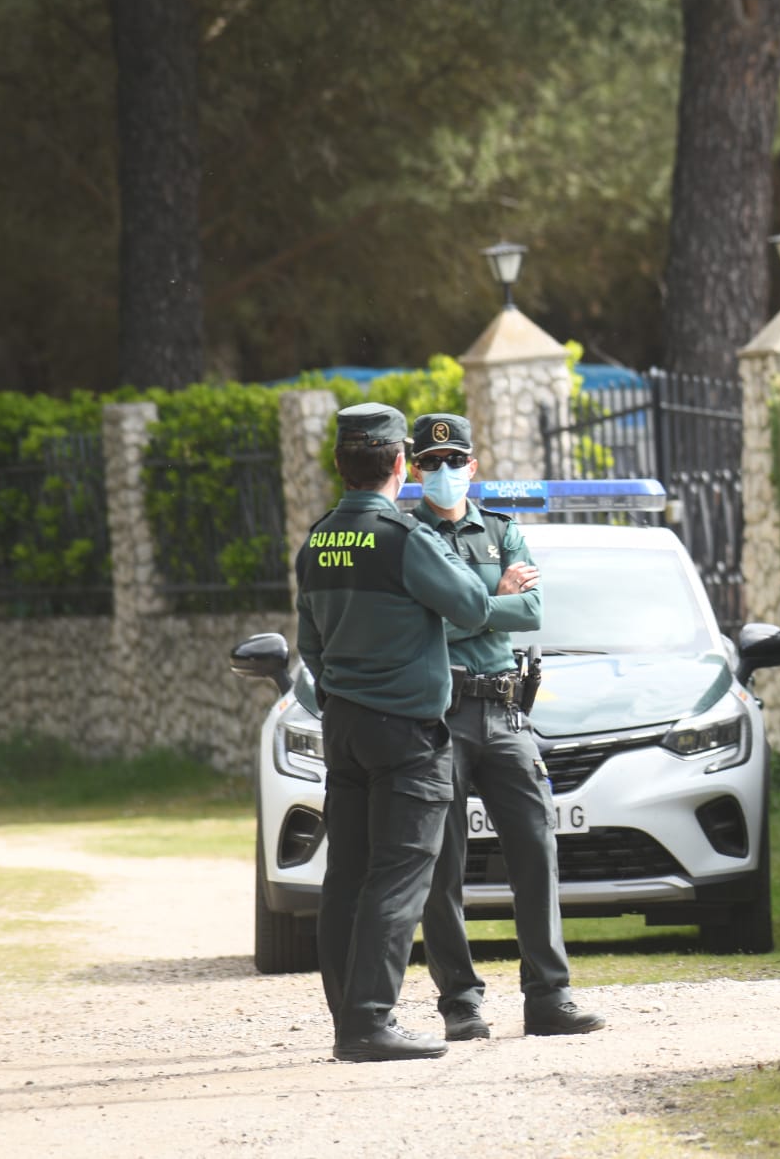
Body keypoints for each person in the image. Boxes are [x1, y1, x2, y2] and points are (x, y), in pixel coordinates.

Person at [295, 402, 493, 1063]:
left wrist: (344, 689)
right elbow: (472, 604)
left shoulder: (317, 538)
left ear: (339, 464)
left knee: (346, 875)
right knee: (400, 876)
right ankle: (370, 1022)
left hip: (345, 727)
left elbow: (311, 646)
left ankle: (347, 1015)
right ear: (400, 464)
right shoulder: (404, 539)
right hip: (407, 734)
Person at [409, 412, 605, 1041]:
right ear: (414, 469)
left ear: (473, 466)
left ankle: (549, 997)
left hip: (506, 710)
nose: (443, 472)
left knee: (536, 848)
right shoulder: (408, 537)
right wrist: (494, 593)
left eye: (454, 461)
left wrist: (471, 600)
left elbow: (532, 611)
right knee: (443, 865)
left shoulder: (501, 528)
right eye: (430, 462)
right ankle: (460, 1004)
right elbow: (426, 623)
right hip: (440, 712)